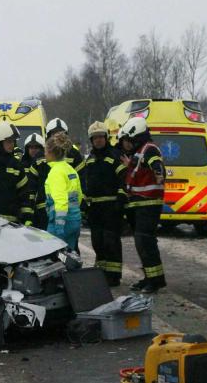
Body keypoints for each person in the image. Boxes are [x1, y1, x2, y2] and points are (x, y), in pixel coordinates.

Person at [119, 117, 167, 294]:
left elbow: (156, 163)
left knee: (145, 241)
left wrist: (159, 172)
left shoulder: (149, 148)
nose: (125, 144)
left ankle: (155, 281)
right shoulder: (139, 152)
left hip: (149, 203)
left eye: (127, 141)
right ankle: (151, 277)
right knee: (142, 242)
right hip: (140, 203)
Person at [84, 121, 127, 286]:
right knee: (97, 241)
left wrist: (121, 199)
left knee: (111, 241)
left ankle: (114, 275)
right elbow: (86, 182)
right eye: (95, 138)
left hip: (111, 207)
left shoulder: (114, 156)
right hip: (95, 208)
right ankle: (101, 272)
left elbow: (124, 179)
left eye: (101, 137)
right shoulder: (90, 159)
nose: (98, 140)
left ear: (106, 137)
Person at [44, 133, 83, 252]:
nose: (44, 154)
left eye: (45, 150)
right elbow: (79, 196)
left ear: (51, 152)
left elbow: (61, 201)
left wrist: (59, 227)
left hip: (61, 223)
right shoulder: (70, 169)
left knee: (55, 260)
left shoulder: (55, 172)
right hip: (75, 221)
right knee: (69, 258)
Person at [21, 133, 49, 230]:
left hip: (42, 208)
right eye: (31, 147)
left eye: (36, 147)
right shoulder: (21, 165)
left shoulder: (45, 165)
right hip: (26, 206)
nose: (33, 150)